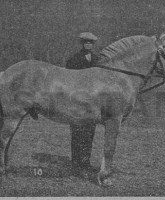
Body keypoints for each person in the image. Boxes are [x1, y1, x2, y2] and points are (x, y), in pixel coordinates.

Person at [65, 32, 99, 175]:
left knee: (90, 133)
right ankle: (76, 165)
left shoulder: (98, 60)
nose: (88, 45)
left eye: (90, 43)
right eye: (86, 42)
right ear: (82, 44)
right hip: (78, 101)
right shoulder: (74, 59)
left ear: (93, 44)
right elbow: (68, 80)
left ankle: (85, 163)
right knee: (77, 133)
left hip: (93, 102)